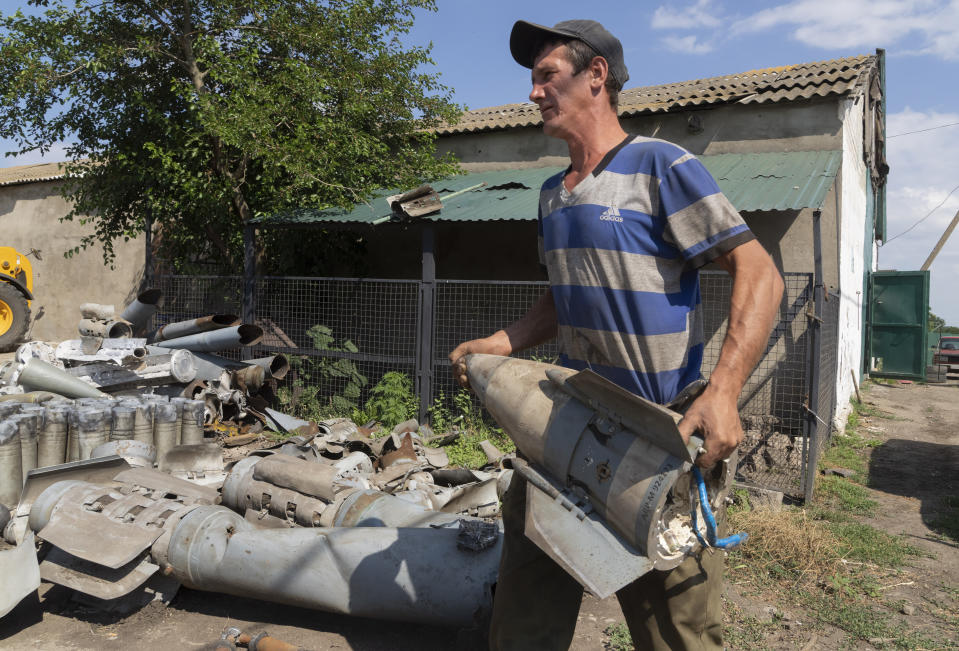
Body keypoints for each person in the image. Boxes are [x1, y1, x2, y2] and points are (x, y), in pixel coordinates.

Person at [449, 19, 784, 651]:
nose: (533, 93)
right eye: (533, 80)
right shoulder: (553, 196)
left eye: (547, 76)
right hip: (565, 427)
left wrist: (725, 390)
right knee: (523, 619)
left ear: (596, 75)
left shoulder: (660, 165)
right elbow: (564, 298)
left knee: (678, 631)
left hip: (657, 437)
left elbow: (759, 269)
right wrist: (505, 341)